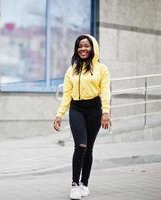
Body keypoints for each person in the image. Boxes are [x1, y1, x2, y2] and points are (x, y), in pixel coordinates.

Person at [53, 34, 110, 200]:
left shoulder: (102, 69)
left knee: (89, 148)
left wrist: (105, 112)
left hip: (94, 110)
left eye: (86, 45)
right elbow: (66, 95)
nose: (82, 49)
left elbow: (106, 91)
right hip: (77, 109)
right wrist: (59, 114)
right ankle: (74, 184)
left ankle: (85, 183)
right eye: (79, 46)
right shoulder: (72, 69)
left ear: (93, 48)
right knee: (81, 146)